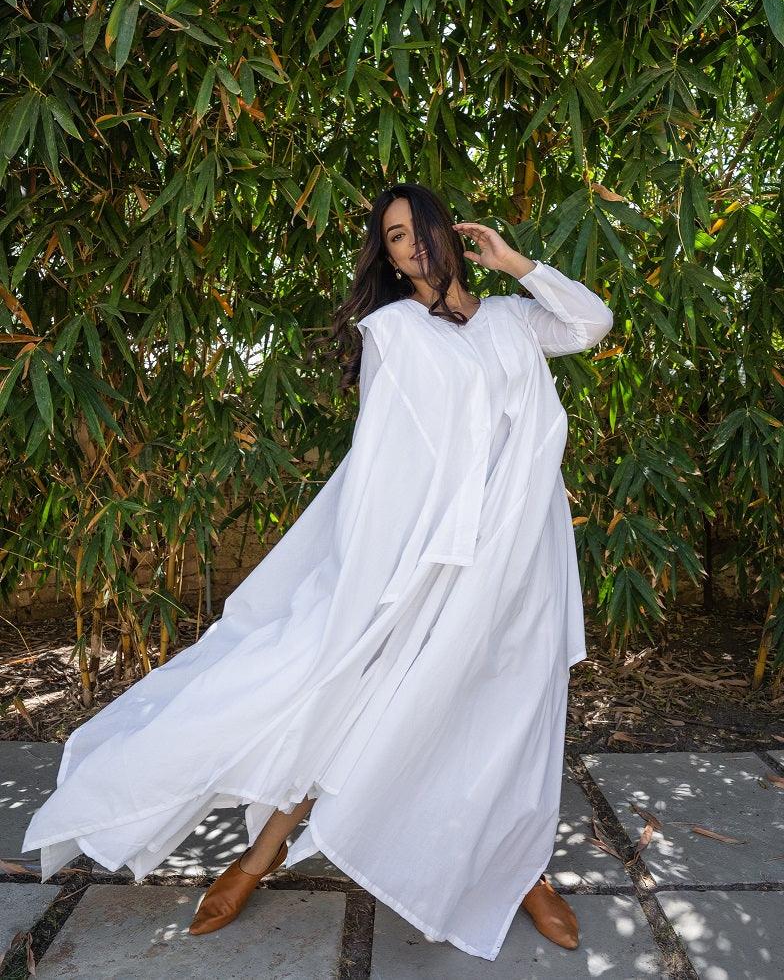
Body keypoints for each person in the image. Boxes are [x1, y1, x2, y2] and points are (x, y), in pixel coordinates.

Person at [21, 182, 614, 962]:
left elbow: (591, 322)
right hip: (435, 557)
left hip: (522, 557)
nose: (411, 243)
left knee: (514, 710)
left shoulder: (511, 319)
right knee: (352, 697)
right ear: (389, 259)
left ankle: (521, 871)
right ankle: (260, 855)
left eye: (419, 226)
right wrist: (377, 575)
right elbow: (381, 463)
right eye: (394, 237)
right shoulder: (394, 332)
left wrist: (515, 262)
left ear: (448, 229)